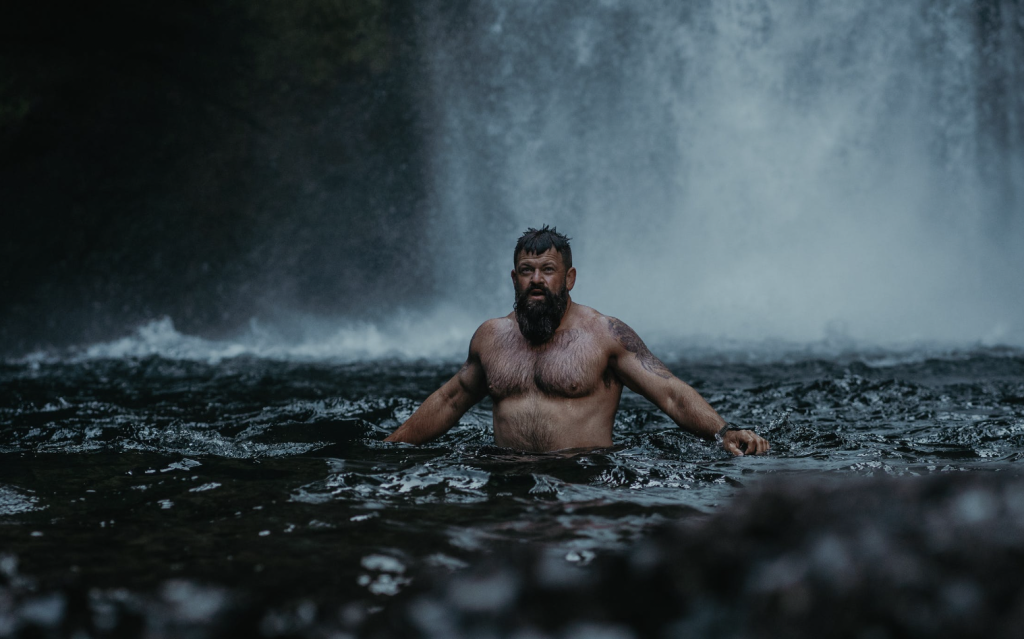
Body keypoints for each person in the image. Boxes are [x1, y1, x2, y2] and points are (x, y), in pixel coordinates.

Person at [385, 226, 769, 456]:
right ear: (514, 278)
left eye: (547, 270)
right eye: (526, 271)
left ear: (568, 278)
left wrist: (723, 431)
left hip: (584, 481)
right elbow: (450, 400)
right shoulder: (490, 337)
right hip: (509, 480)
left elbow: (670, 392)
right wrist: (391, 447)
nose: (536, 279)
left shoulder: (605, 334)